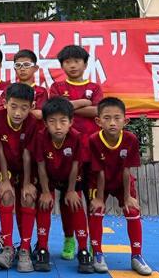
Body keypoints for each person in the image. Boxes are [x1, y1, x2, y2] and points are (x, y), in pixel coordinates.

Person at [49, 44, 103, 260]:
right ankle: (69, 238)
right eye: (67, 62)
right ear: (62, 65)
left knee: (92, 197)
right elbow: (55, 110)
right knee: (68, 198)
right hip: (65, 153)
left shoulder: (94, 87)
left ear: (85, 64)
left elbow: (98, 111)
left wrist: (69, 106)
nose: (72, 65)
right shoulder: (57, 86)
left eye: (76, 61)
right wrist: (82, 102)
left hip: (91, 150)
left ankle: (92, 242)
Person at [88, 97, 152, 276]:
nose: (112, 123)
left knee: (132, 210)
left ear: (126, 120)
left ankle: (137, 256)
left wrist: (127, 197)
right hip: (98, 180)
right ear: (98, 121)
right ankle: (97, 254)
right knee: (96, 209)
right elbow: (99, 171)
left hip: (121, 180)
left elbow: (126, 169)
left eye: (117, 118)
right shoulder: (93, 140)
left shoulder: (130, 139)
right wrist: (99, 198)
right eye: (107, 118)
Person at [30, 97, 93, 273]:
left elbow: (75, 165)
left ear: (71, 122)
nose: (58, 126)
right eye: (52, 121)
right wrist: (45, 191)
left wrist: (71, 190)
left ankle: (83, 250)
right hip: (48, 177)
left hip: (70, 178)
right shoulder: (40, 137)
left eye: (63, 121)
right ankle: (43, 249)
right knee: (44, 204)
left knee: (75, 203)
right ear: (45, 123)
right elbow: (41, 166)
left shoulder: (77, 138)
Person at [0, 83, 38, 271]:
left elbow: (27, 154)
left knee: (28, 197)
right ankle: (8, 248)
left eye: (24, 108)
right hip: (6, 166)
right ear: (5, 103)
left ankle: (25, 249)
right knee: (6, 195)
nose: (18, 113)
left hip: (26, 167)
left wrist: (27, 183)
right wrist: (4, 180)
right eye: (14, 106)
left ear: (31, 107)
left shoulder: (33, 122)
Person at [13, 49, 48, 122]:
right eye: (18, 65)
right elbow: (1, 111)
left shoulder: (41, 91)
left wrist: (14, 108)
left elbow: (40, 114)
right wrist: (29, 109)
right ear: (14, 69)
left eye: (26, 65)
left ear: (35, 68)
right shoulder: (10, 90)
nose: (22, 69)